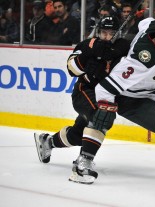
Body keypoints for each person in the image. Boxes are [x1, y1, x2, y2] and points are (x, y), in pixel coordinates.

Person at [61, 16, 155, 184]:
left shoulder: (152, 28)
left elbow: (147, 21)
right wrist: (106, 107)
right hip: (133, 99)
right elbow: (104, 88)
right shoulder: (141, 62)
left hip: (153, 91)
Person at [34, 16, 131, 184]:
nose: (107, 37)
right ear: (98, 32)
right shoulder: (89, 45)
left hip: (105, 95)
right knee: (102, 114)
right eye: (103, 33)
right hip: (84, 92)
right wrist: (88, 63)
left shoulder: (123, 47)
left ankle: (47, 142)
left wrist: (114, 52)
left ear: (118, 34)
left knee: (79, 135)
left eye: (111, 33)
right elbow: (71, 67)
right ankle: (82, 165)